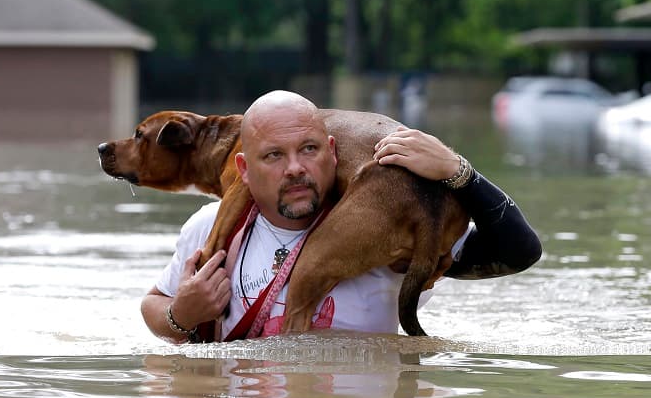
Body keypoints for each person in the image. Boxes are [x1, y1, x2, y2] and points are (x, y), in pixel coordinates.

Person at [141, 90, 541, 343]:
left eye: (309, 149)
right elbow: (152, 306)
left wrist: (460, 173)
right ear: (244, 168)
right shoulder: (209, 227)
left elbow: (520, 250)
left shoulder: (380, 234)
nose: (295, 167)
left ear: (333, 152)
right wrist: (181, 315)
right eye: (275, 155)